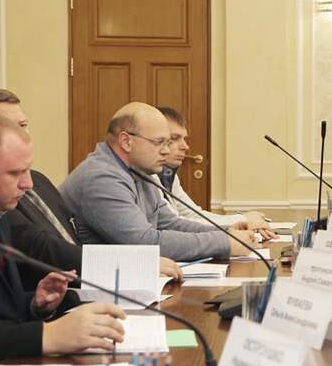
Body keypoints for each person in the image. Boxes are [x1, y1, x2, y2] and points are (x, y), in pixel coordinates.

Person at [0, 89, 182, 283]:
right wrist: (134, 264)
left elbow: (72, 244)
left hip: (80, 289)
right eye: (6, 126)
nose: (20, 134)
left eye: (23, 125)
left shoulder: (39, 182)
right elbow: (42, 248)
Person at [0, 112, 126, 360]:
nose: (28, 184)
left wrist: (35, 304)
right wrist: (47, 336)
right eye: (16, 173)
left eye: (28, 171)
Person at [60, 102, 256, 261]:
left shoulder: (139, 170)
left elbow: (169, 223)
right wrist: (224, 242)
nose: (166, 150)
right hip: (93, 288)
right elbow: (145, 242)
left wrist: (226, 232)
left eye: (167, 143)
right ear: (126, 141)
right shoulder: (101, 178)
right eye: (159, 142)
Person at [157, 107, 277, 239]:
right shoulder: (149, 176)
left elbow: (193, 214)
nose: (185, 146)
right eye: (174, 138)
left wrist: (243, 222)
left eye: (184, 139)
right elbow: (175, 224)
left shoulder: (168, 174)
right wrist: (243, 220)